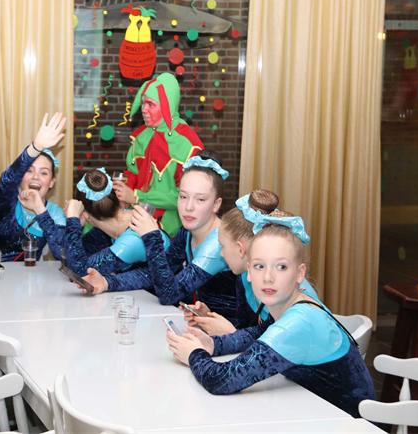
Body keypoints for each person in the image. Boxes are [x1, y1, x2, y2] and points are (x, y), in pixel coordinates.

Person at [166, 212, 375, 417]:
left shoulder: (300, 321)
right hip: (310, 412)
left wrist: (193, 354)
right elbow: (259, 332)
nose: (268, 277)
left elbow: (222, 380)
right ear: (249, 272)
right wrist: (213, 344)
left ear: (299, 273)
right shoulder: (291, 304)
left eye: (281, 267)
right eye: (259, 266)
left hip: (346, 424)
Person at [81, 153, 239, 323]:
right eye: (183, 196)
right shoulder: (187, 232)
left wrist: (152, 237)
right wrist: (106, 282)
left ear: (216, 204)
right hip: (196, 324)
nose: (188, 207)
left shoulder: (217, 243)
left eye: (200, 199)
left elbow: (169, 294)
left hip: (227, 331)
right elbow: (153, 274)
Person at [187, 189, 321, 335]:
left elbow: (280, 343)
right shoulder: (246, 278)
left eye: (223, 246)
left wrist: (231, 334)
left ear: (240, 249)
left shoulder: (285, 291)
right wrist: (209, 318)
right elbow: (251, 330)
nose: (221, 253)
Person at [112, 72, 204, 237]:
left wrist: (136, 197)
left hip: (170, 229)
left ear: (167, 105)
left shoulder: (186, 144)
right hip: (137, 217)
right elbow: (132, 174)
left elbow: (184, 197)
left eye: (150, 104)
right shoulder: (142, 136)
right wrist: (122, 195)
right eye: (143, 103)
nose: (144, 110)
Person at [0, 113, 67, 262]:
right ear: (20, 177)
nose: (35, 176)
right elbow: (8, 179)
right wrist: (36, 147)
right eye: (29, 171)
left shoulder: (55, 213)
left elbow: (63, 252)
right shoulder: (6, 201)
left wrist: (40, 210)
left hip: (28, 276)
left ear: (51, 182)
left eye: (44, 173)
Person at [62, 167, 169, 278]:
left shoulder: (134, 238)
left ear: (85, 214)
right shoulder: (109, 227)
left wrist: (72, 221)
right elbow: (72, 259)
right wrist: (77, 226)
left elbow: (81, 273)